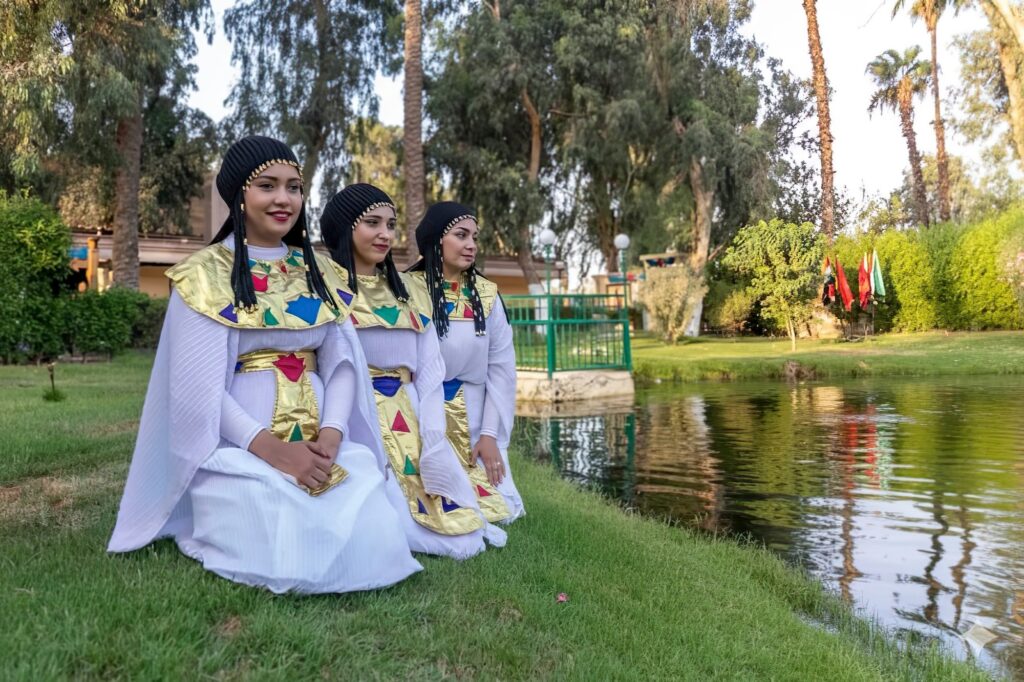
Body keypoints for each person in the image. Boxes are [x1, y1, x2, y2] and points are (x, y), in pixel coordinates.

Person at [108, 137, 422, 593]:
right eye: (267, 186)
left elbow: (342, 364)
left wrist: (332, 434)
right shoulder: (204, 275)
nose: (283, 199)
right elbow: (197, 388)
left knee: (367, 515)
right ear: (239, 194)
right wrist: (275, 452)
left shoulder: (319, 273)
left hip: (321, 442)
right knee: (282, 534)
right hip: (239, 450)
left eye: (294, 188)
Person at [320, 184, 505, 559]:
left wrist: (435, 441)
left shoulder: (409, 293)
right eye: (372, 223)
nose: (385, 234)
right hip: (352, 416)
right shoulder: (322, 286)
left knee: (462, 534)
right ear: (344, 228)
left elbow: (431, 372)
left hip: (410, 411)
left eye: (390, 224)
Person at [408, 202, 525, 524]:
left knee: (500, 510)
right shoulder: (406, 290)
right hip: (417, 410)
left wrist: (489, 434)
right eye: (461, 235)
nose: (471, 245)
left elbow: (501, 369)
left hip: (473, 414)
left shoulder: (486, 295)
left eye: (474, 236)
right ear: (436, 240)